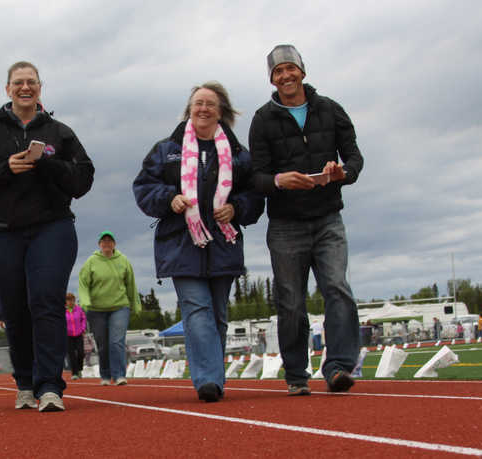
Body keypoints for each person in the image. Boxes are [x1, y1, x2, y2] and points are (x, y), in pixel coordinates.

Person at [0, 61, 94, 412]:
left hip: (53, 228)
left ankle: (50, 386)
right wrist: (6, 168)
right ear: (7, 89)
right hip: (0, 233)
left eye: (31, 82)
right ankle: (26, 382)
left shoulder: (59, 132)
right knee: (16, 310)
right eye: (18, 82)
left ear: (40, 88)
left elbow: (83, 179)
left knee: (46, 303)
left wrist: (47, 162)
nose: (25, 87)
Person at [133, 82, 264, 402]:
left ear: (222, 112)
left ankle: (211, 377)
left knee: (217, 314)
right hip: (181, 244)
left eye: (210, 104)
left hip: (223, 244)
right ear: (189, 109)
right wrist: (169, 198)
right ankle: (209, 380)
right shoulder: (166, 150)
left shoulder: (238, 155)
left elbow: (255, 195)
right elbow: (143, 188)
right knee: (197, 310)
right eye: (197, 103)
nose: (203, 108)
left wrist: (237, 207)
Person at [248, 44, 364, 396]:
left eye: (290, 68)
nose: (285, 76)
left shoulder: (331, 110)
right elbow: (255, 177)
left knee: (338, 289)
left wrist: (341, 172)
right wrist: (279, 181)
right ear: (272, 78)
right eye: (277, 71)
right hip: (285, 224)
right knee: (291, 300)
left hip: (328, 218)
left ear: (302, 71)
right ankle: (297, 374)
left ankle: (339, 367)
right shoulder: (262, 119)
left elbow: (355, 159)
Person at [78, 231, 142, 386]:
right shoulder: (91, 261)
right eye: (103, 241)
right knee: (102, 344)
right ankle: (105, 375)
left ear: (114, 244)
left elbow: (131, 284)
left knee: (116, 342)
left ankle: (119, 375)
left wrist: (136, 304)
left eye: (110, 241)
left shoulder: (123, 260)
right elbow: (83, 283)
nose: (107, 243)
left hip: (120, 306)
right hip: (96, 309)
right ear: (99, 244)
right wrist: (85, 301)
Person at [64, 293, 88, 380]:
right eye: (69, 300)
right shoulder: (63, 311)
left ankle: (79, 369)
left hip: (79, 334)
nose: (71, 302)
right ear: (65, 302)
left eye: (72, 300)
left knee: (81, 353)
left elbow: (83, 319)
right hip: (68, 336)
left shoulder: (79, 309)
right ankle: (74, 373)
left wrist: (83, 329)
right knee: (72, 355)